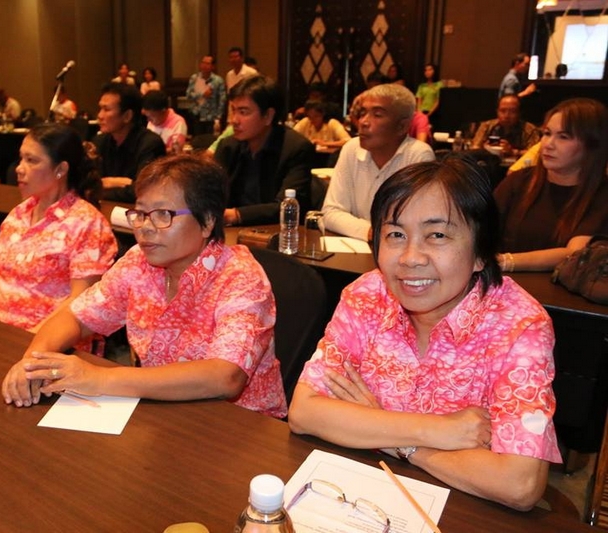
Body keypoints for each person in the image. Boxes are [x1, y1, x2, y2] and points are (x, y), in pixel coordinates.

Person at [289, 158, 562, 511]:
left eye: (437, 235)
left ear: (481, 254)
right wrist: (438, 430)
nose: (410, 257)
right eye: (396, 235)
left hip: (464, 514)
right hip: (361, 496)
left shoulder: (519, 325)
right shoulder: (367, 295)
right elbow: (304, 412)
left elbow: (519, 483)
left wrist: (397, 441)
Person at [1, 155, 287, 418]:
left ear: (207, 222)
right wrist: (32, 364)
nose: (146, 227)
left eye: (163, 215)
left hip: (240, 425)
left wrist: (100, 378)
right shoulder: (138, 262)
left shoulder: (240, 277)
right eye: (140, 214)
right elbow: (75, 316)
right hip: (165, 411)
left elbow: (226, 376)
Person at [0, 123, 117, 347]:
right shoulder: (18, 214)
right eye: (21, 159)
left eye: (31, 160)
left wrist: (24, 340)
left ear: (60, 169)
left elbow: (79, 301)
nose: (19, 168)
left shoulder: (86, 222)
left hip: (50, 344)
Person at [494, 98, 608, 272]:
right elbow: (479, 225)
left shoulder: (601, 195)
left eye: (563, 137)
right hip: (503, 284)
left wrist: (504, 261)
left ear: (591, 145)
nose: (548, 144)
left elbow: (574, 253)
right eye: (547, 133)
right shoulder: (519, 180)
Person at [322, 84, 435, 241]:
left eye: (377, 115)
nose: (363, 122)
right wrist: (370, 231)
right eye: (363, 113)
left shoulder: (417, 155)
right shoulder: (351, 148)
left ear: (402, 126)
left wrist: (359, 229)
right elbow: (330, 212)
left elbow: (414, 225)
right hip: (357, 246)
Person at [214, 76, 313, 226]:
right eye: (233, 111)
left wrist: (235, 215)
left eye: (243, 112)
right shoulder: (228, 147)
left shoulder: (295, 148)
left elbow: (287, 206)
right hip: (230, 233)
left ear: (268, 116)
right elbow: (210, 196)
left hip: (277, 233)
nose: (234, 120)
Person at [93, 82, 166, 203]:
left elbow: (142, 191)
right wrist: (119, 182)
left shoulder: (150, 144)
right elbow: (87, 184)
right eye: (100, 108)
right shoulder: (100, 141)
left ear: (127, 116)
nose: (99, 115)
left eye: (106, 109)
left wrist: (106, 184)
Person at [471, 95, 540, 157]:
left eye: (512, 111)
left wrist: (513, 151)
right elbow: (474, 147)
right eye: (502, 111)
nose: (507, 116)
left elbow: (536, 153)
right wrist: (484, 149)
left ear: (519, 113)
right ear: (497, 111)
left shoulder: (529, 129)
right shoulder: (487, 126)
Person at [185, 55, 226, 135]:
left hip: (211, 116)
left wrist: (218, 117)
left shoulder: (218, 80)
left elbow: (222, 100)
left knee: (210, 139)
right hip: (197, 114)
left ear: (213, 66)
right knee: (197, 140)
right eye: (203, 63)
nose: (204, 65)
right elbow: (188, 95)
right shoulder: (194, 78)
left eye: (207, 63)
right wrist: (202, 94)